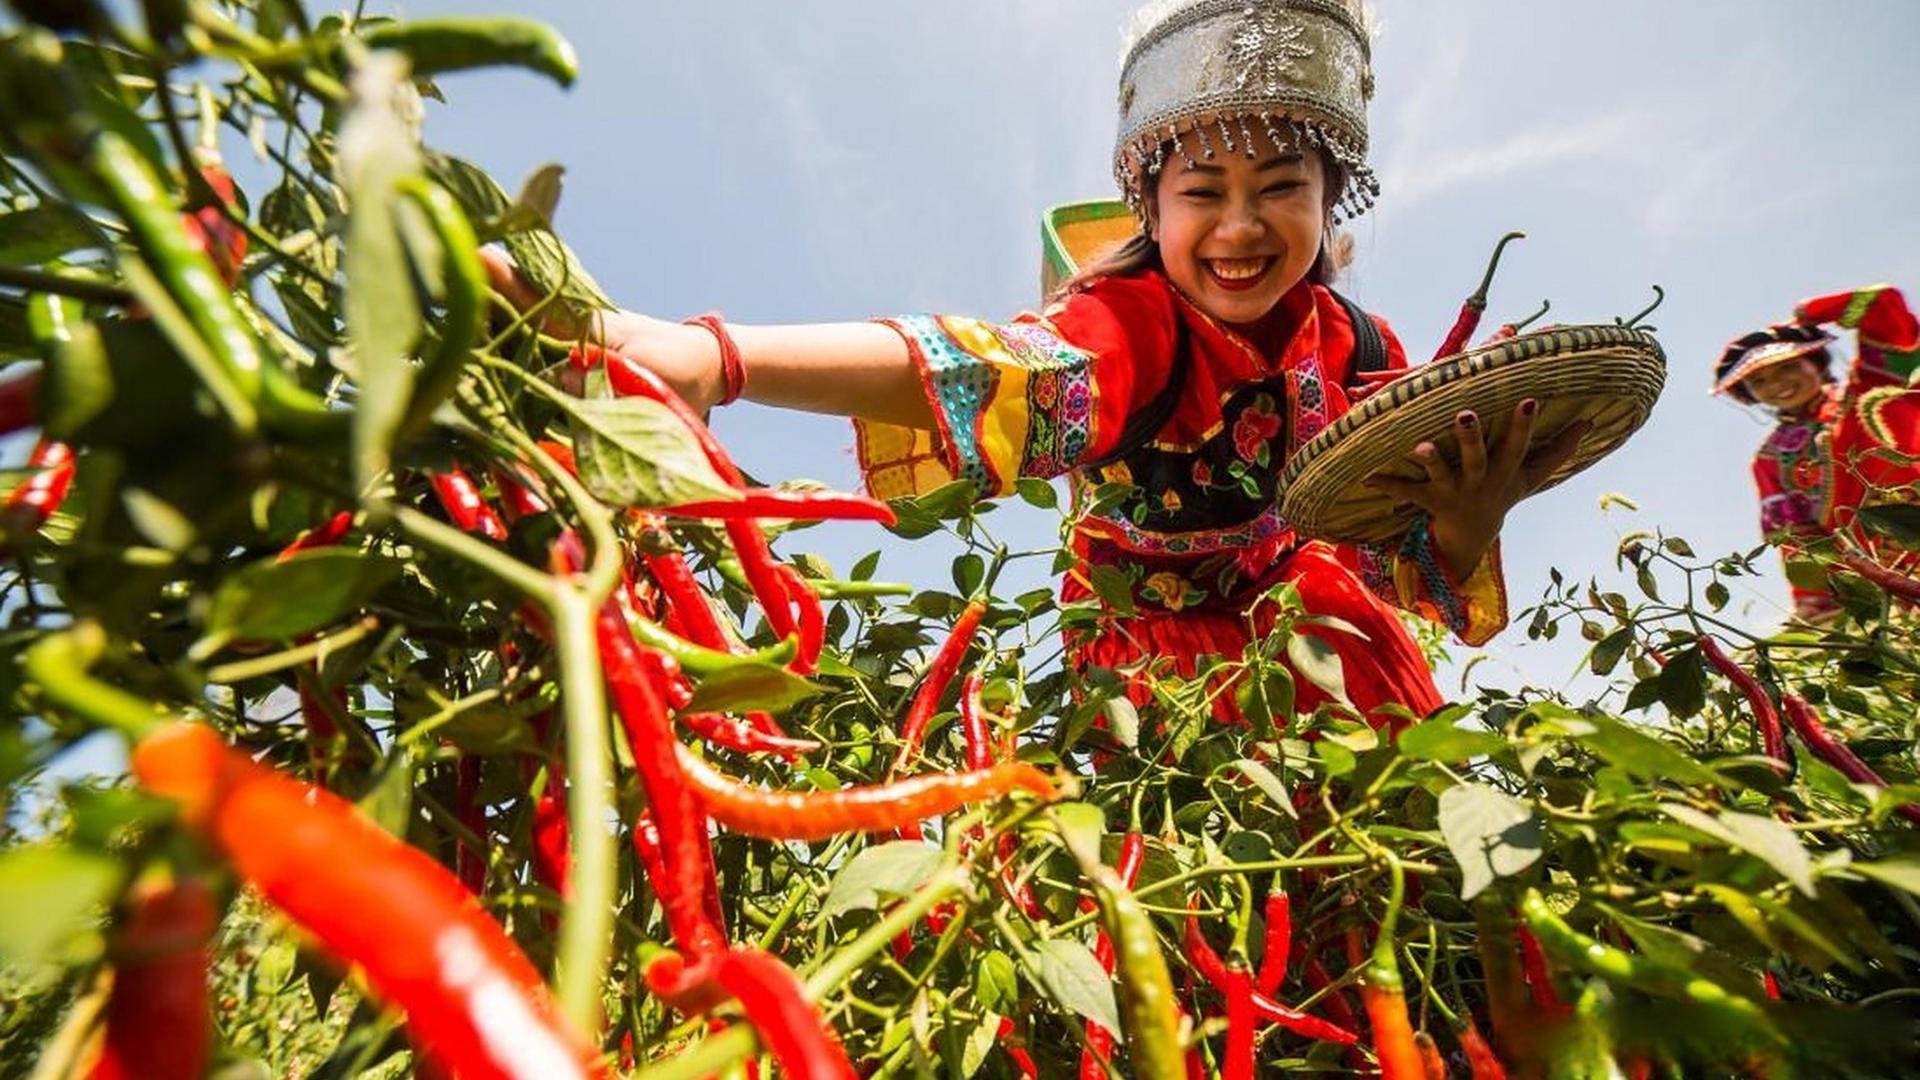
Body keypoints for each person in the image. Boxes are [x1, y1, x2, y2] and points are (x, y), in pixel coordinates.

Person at [484, 0, 1582, 726]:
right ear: (1149, 206)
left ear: (1330, 200)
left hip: (1309, 634)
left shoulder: (1357, 347)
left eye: (1281, 187)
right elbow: (991, 369)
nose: (1241, 227)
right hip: (1156, 671)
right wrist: (714, 357)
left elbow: (1399, 545)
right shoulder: (1134, 322)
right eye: (1203, 191)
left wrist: (1466, 522)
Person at [1714, 285, 1920, 620]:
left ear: (1815, 361)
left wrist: (1814, 311)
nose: (1776, 384)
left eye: (1786, 367)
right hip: (1886, 586)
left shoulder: (1872, 386)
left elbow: (1884, 306)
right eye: (1759, 382)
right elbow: (1798, 538)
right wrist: (1817, 602)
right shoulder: (1769, 459)